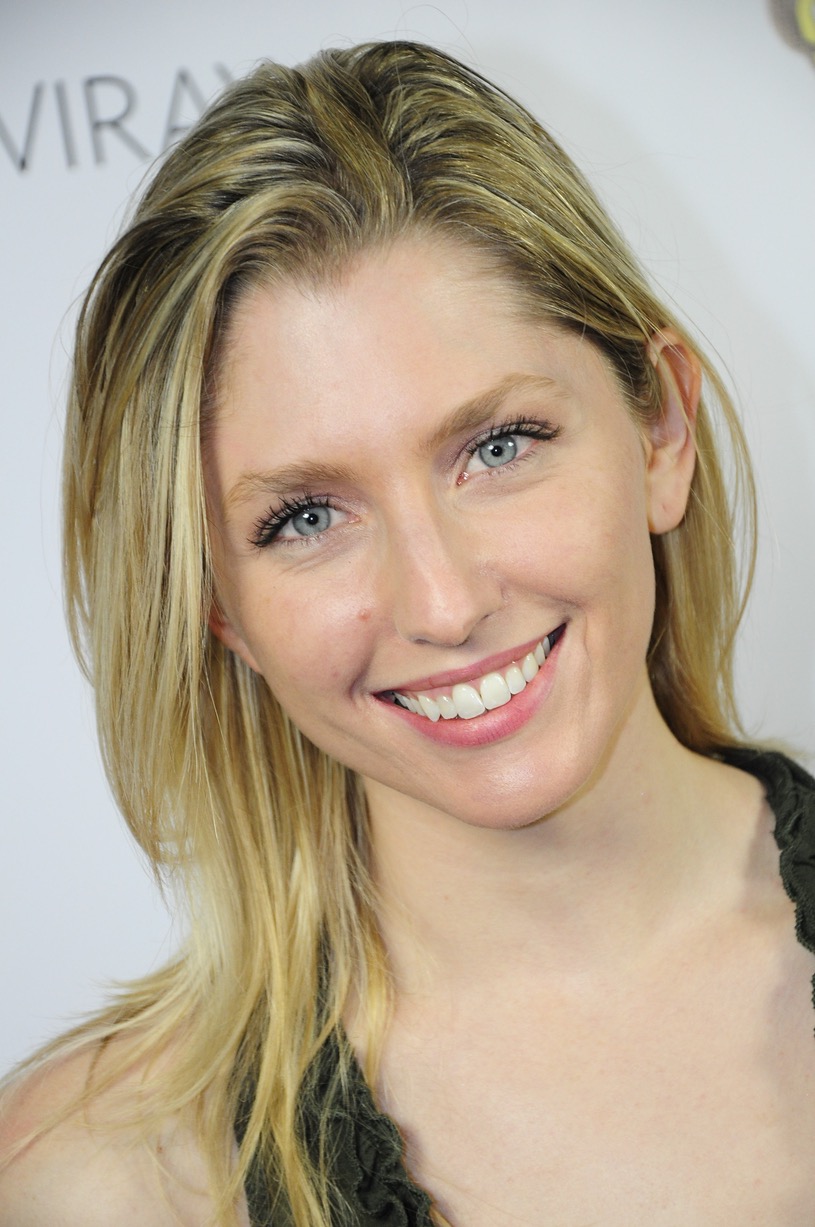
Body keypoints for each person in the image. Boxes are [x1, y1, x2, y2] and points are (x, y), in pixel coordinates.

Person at [2, 38, 815, 1227]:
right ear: (217, 602)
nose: (440, 604)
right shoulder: (105, 1178)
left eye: (498, 446)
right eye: (305, 517)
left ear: (660, 432)